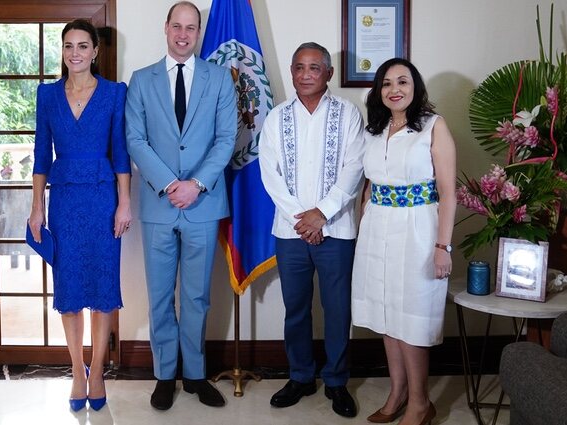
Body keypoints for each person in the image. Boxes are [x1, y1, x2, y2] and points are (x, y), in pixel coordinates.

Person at [125, 1, 236, 411]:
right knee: (158, 296)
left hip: (203, 205)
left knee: (196, 297)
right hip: (158, 206)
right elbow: (135, 140)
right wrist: (172, 184)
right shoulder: (140, 80)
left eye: (192, 27)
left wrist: (197, 184)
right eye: (178, 26)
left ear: (199, 31)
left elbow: (226, 138)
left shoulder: (221, 79)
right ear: (166, 27)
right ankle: (163, 376)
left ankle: (195, 375)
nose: (184, 34)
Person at [28, 19, 132, 412]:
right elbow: (41, 156)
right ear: (63, 51)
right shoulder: (47, 95)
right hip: (65, 202)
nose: (75, 53)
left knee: (104, 288)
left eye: (83, 46)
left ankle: (98, 372)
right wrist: (37, 206)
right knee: (70, 289)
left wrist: (124, 202)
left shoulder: (113, 93)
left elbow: (120, 153)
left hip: (104, 199)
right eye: (69, 46)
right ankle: (76, 370)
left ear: (95, 51)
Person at [259, 42, 365, 418]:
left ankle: (336, 381)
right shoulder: (276, 117)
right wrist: (302, 221)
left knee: (337, 309)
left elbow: (355, 168)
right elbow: (269, 175)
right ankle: (301, 376)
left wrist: (321, 214)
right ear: (291, 72)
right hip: (290, 233)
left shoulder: (349, 114)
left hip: (336, 230)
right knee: (296, 309)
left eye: (314, 68)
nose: (306, 75)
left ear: (329, 74)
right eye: (299, 67)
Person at [351, 58, 456, 425]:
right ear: (379, 91)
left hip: (418, 229)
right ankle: (396, 394)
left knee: (411, 319)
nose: (395, 89)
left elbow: (448, 192)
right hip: (378, 227)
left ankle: (420, 403)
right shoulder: (375, 129)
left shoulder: (432, 127)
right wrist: (365, 215)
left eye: (403, 82)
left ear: (415, 87)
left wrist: (443, 247)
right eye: (387, 83)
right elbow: (369, 183)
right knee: (385, 314)